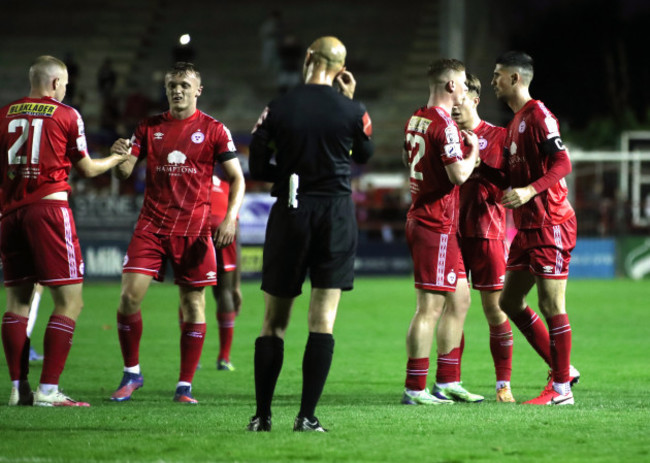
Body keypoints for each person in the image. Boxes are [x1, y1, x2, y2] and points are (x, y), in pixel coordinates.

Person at [246, 36, 373, 432]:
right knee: (323, 320)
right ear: (341, 68)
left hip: (290, 209)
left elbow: (256, 164)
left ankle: (262, 416)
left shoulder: (279, 107)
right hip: (334, 215)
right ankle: (306, 417)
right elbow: (364, 156)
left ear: (307, 59)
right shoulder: (352, 109)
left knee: (274, 321)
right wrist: (352, 99)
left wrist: (287, 174)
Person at [108, 62, 245, 404]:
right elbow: (126, 172)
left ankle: (184, 386)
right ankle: (131, 373)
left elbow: (237, 178)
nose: (177, 90)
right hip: (151, 226)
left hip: (194, 230)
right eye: (172, 85)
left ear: (198, 89)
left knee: (193, 303)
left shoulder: (214, 129)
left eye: (184, 84)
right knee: (128, 298)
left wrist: (230, 218)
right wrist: (118, 157)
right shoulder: (148, 127)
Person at [0, 55, 130, 407]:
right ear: (56, 83)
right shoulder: (66, 114)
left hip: (9, 214)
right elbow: (87, 169)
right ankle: (47, 391)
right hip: (49, 211)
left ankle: (18, 388)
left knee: (17, 303)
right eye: (67, 84)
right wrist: (118, 159)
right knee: (70, 302)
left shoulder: (5, 113)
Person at [489, 51, 579, 405]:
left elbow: (563, 162)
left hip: (550, 222)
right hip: (527, 228)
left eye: (498, 75)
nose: (493, 80)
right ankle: (564, 371)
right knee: (509, 301)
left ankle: (560, 390)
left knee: (551, 304)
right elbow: (511, 176)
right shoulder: (514, 123)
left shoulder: (539, 115)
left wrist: (528, 190)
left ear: (515, 78)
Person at [401, 58, 482, 406]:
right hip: (434, 224)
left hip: (435, 223)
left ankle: (447, 381)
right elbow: (459, 176)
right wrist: (474, 151)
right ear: (451, 86)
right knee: (429, 308)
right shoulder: (444, 124)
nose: (465, 89)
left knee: (460, 298)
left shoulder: (416, 117)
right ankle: (415, 388)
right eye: (463, 83)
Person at [451, 73, 515, 402]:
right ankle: (451, 382)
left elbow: (509, 180)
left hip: (488, 234)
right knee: (454, 309)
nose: (453, 108)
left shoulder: (499, 136)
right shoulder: (445, 135)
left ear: (474, 100)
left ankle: (502, 383)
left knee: (495, 310)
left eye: (459, 102)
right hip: (452, 233)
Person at [210, 174, 242, 371]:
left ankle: (192, 360)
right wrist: (236, 286)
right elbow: (235, 229)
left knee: (191, 291)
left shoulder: (190, 179)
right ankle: (224, 358)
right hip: (224, 225)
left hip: (197, 225)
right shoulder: (228, 186)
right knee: (225, 292)